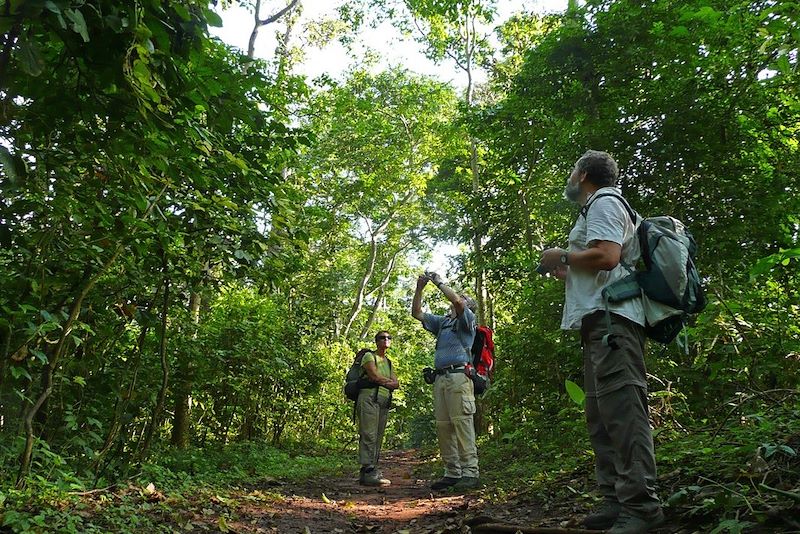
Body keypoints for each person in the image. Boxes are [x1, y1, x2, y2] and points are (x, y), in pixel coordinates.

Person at [539, 150, 665, 533]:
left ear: (583, 175)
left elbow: (608, 257)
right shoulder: (593, 209)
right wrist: (567, 269)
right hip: (598, 325)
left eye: (571, 170)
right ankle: (615, 500)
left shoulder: (606, 201)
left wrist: (559, 253)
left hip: (615, 325)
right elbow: (599, 266)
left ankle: (642, 507)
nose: (569, 177)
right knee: (601, 414)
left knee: (624, 413)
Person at [411, 271, 480, 491]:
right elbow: (417, 313)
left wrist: (439, 282)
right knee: (443, 426)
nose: (458, 301)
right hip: (441, 378)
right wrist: (420, 288)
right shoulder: (443, 323)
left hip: (459, 378)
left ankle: (470, 472)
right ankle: (452, 472)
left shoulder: (467, 321)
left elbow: (458, 301)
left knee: (462, 422)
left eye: (463, 300)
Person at [356, 330, 399, 486]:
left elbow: (397, 383)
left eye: (389, 337)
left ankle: (372, 469)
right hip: (369, 398)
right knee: (369, 433)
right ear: (376, 341)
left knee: (378, 435)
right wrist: (388, 382)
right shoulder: (369, 357)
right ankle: (367, 469)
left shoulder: (388, 362)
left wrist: (385, 382)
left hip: (383, 400)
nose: (386, 340)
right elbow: (373, 376)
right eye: (382, 338)